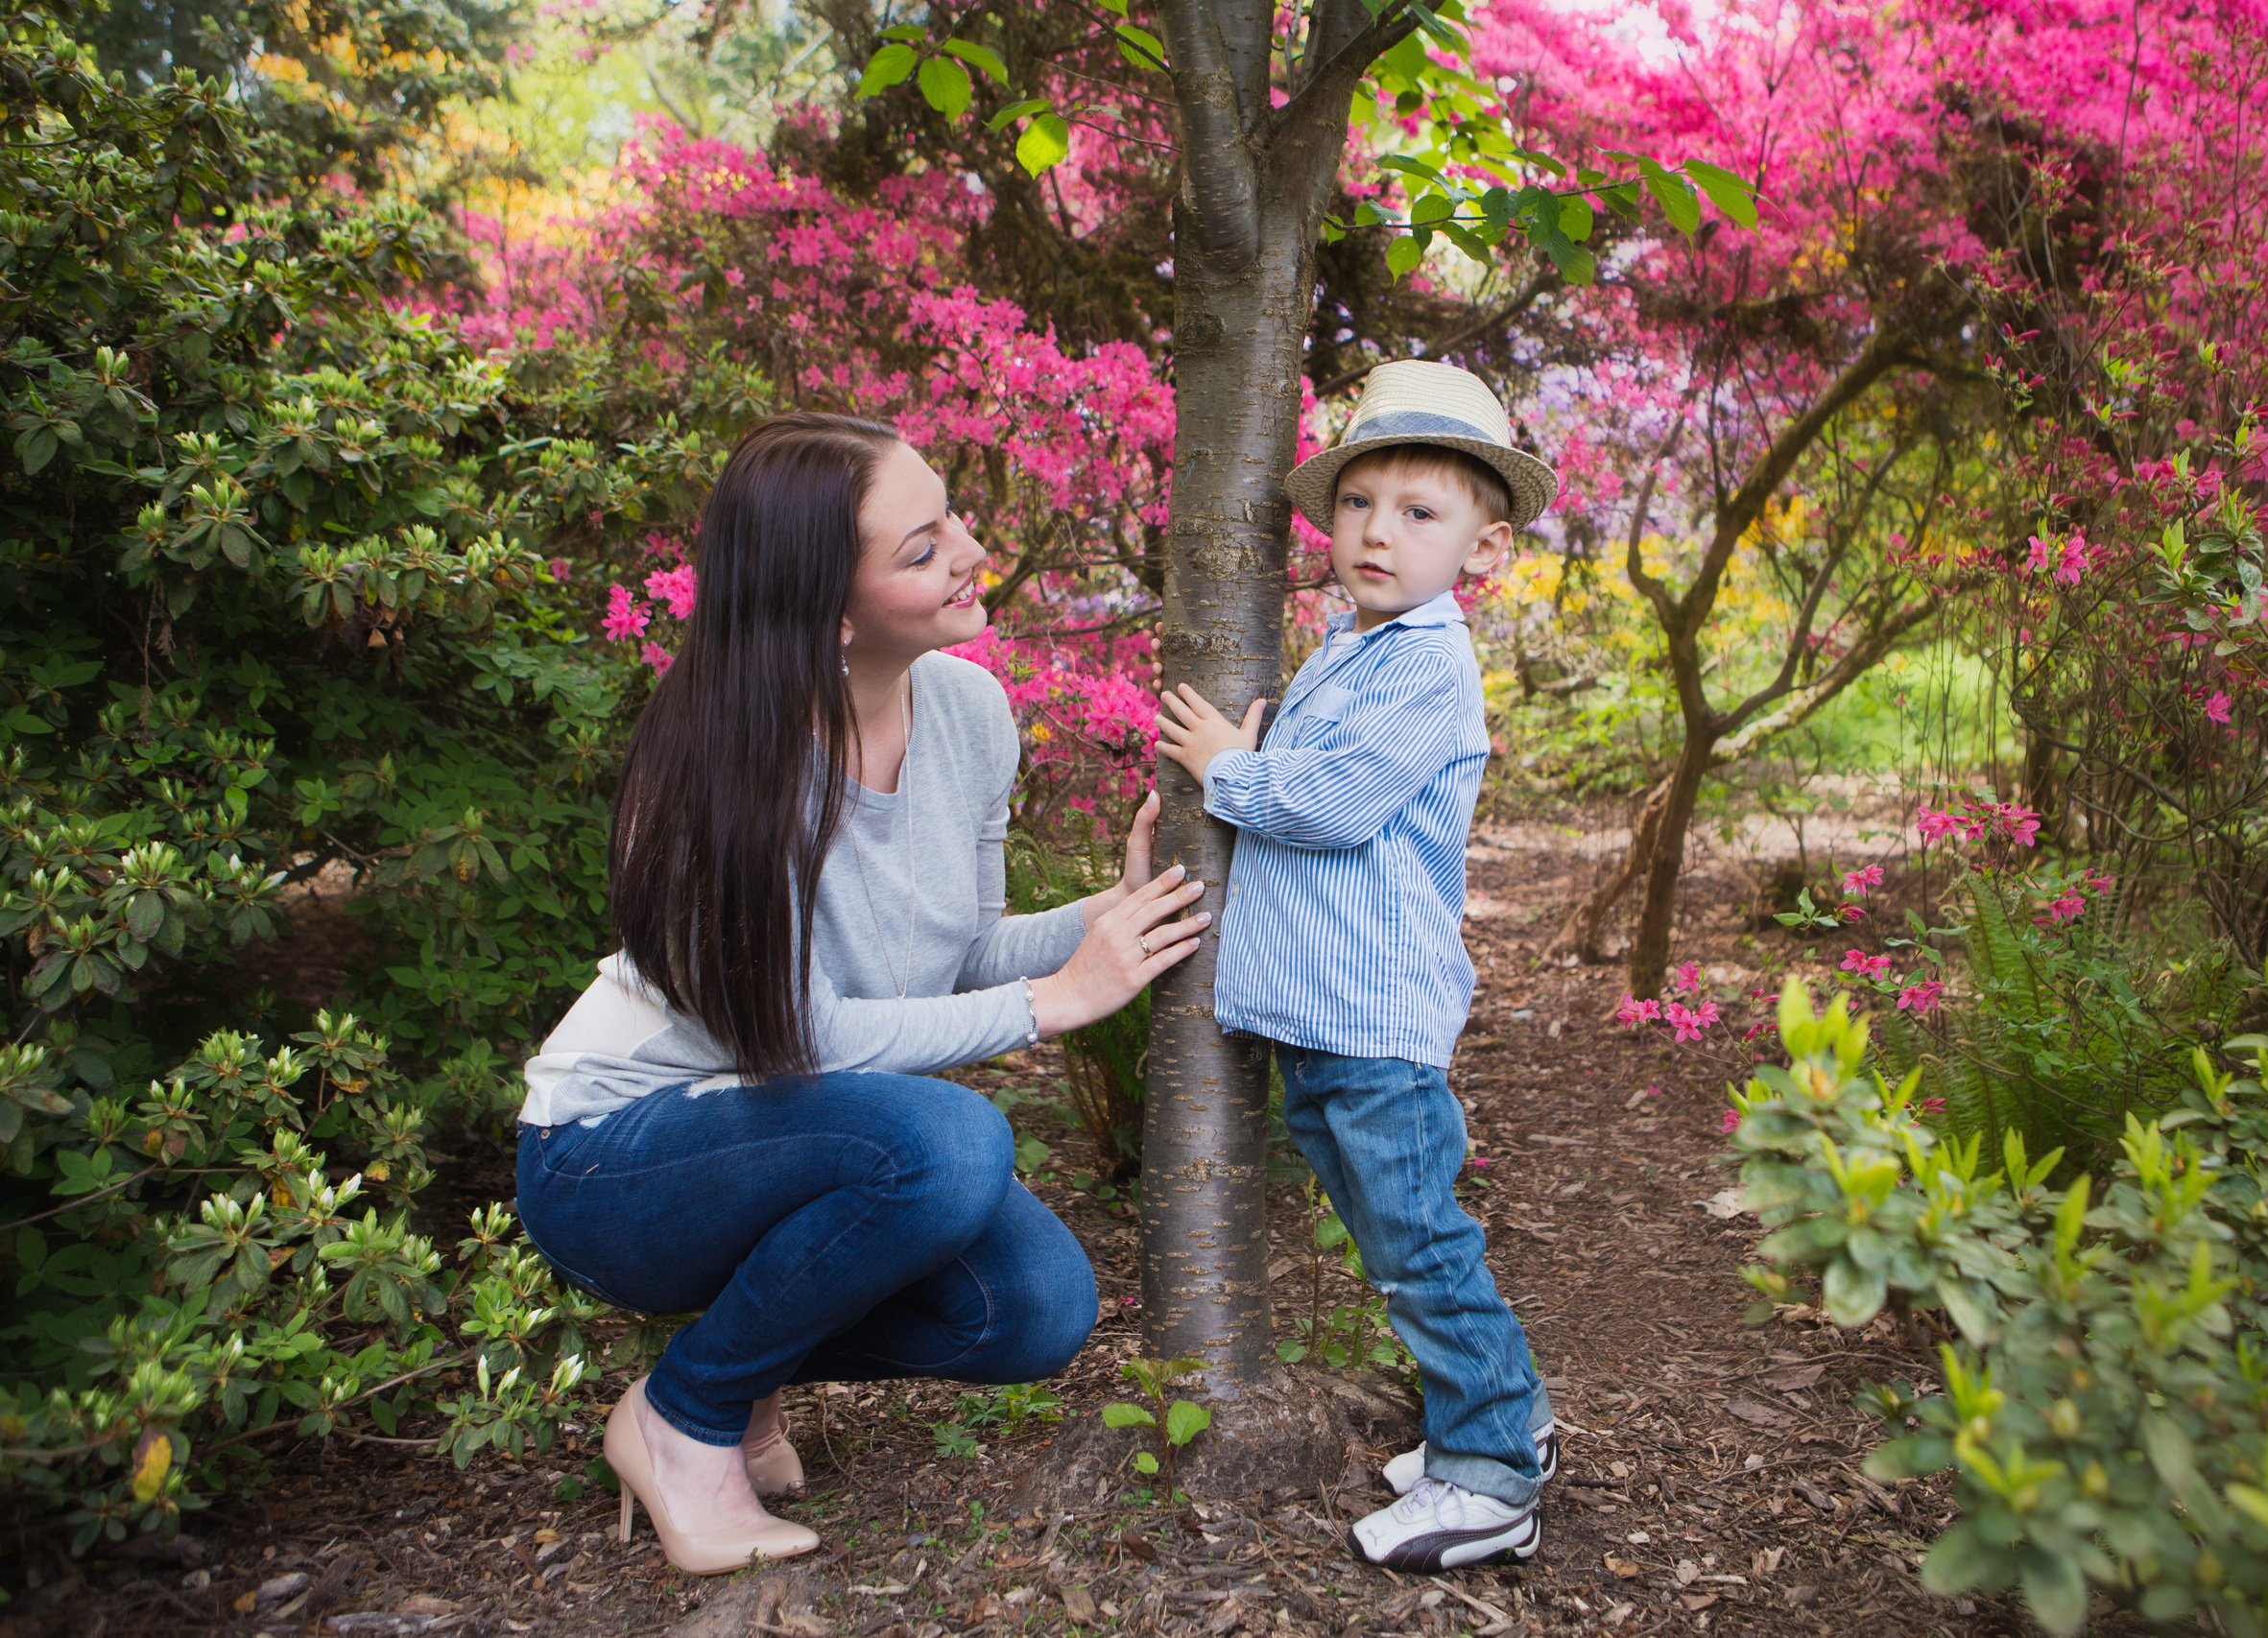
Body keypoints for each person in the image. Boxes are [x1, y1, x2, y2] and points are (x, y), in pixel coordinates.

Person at [515, 412, 1210, 1576]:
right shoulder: (725, 771)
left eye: (952, 517)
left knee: (1033, 1306)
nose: (974, 550)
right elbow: (809, 1035)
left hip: (798, 1140)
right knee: (947, 1143)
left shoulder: (968, 711)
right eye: (924, 547)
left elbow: (960, 947)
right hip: (613, 1164)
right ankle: (684, 1423)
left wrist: (1105, 917)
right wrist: (1057, 1004)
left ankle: (731, 1375)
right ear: (832, 615)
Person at [1153, 360, 1560, 1573]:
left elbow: (1328, 804)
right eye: (1358, 503)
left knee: (1416, 1241)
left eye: (1419, 513)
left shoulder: (1428, 663)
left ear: (1479, 556)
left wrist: (1229, 763)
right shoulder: (1355, 644)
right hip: (1323, 1019)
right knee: (1393, 1234)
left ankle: (1489, 1472)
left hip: (1375, 1022)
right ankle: (1510, 1416)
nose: (1378, 531)